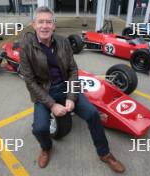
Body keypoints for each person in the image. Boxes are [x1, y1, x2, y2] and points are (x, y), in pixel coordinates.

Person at [20, 6, 125, 173]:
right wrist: (52, 105)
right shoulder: (26, 47)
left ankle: (104, 153)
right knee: (39, 128)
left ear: (54, 25)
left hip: (65, 86)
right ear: (34, 25)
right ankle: (46, 148)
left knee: (91, 113)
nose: (45, 26)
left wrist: (71, 96)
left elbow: (73, 70)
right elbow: (30, 81)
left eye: (48, 22)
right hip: (43, 91)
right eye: (41, 22)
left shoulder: (63, 42)